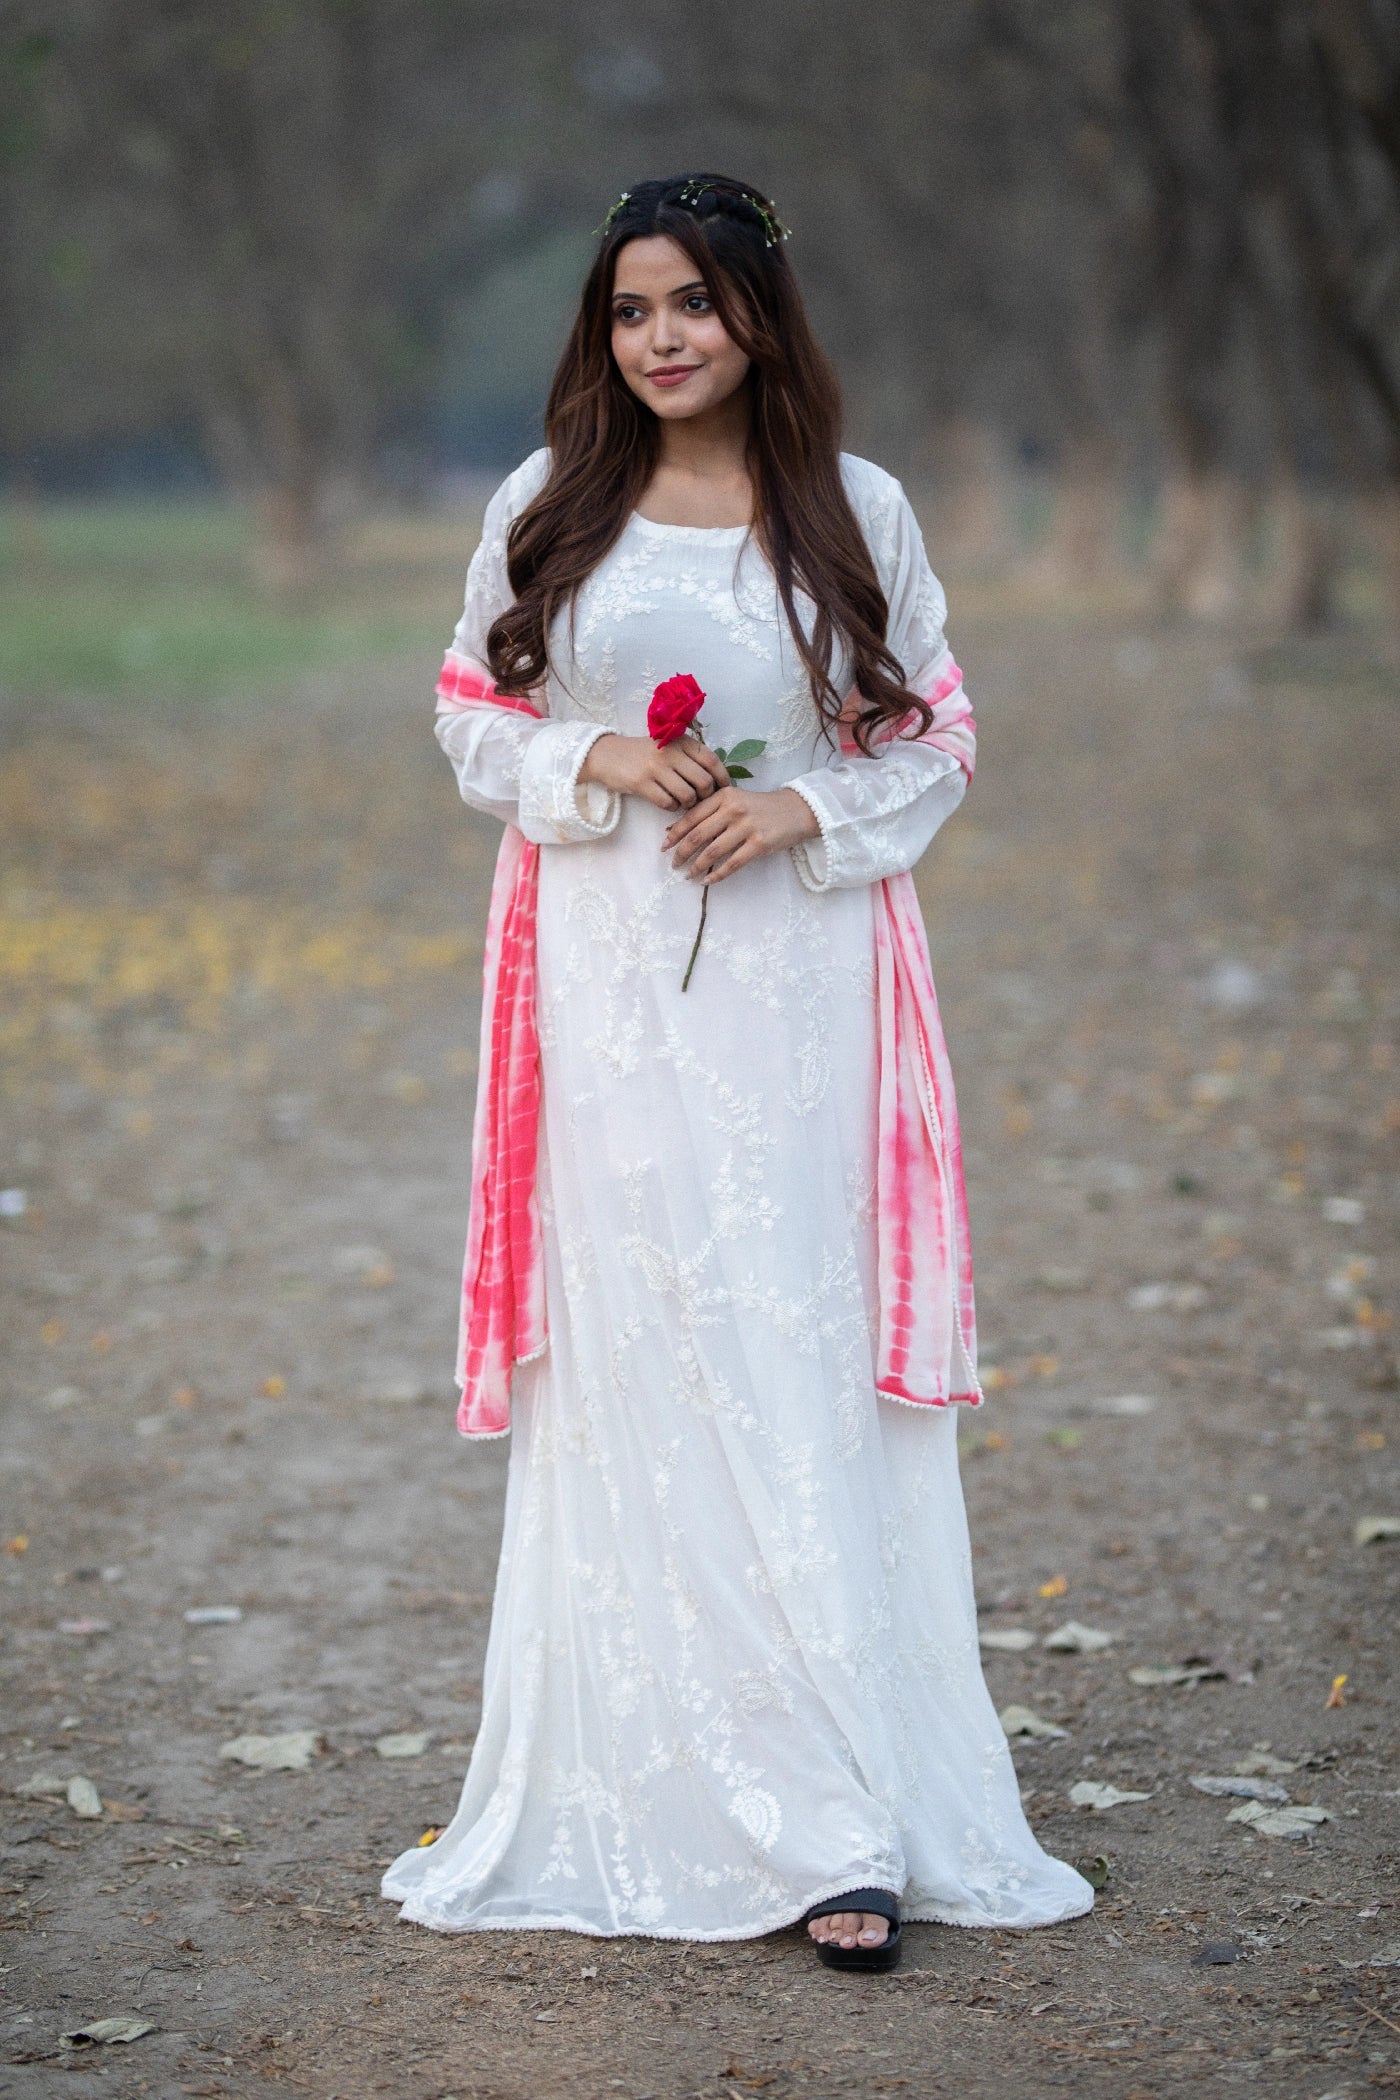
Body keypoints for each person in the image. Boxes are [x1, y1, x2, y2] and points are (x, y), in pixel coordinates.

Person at [381, 172, 1094, 1969]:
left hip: (803, 999)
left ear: (760, 313)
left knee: (787, 1352)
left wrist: (807, 803)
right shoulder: (553, 505)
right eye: (630, 311)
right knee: (646, 1355)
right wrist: (601, 760)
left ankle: (845, 1818)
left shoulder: (856, 511)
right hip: (609, 996)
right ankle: (675, 1792)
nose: (662, 340)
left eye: (693, 303)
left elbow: (937, 724)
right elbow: (474, 705)